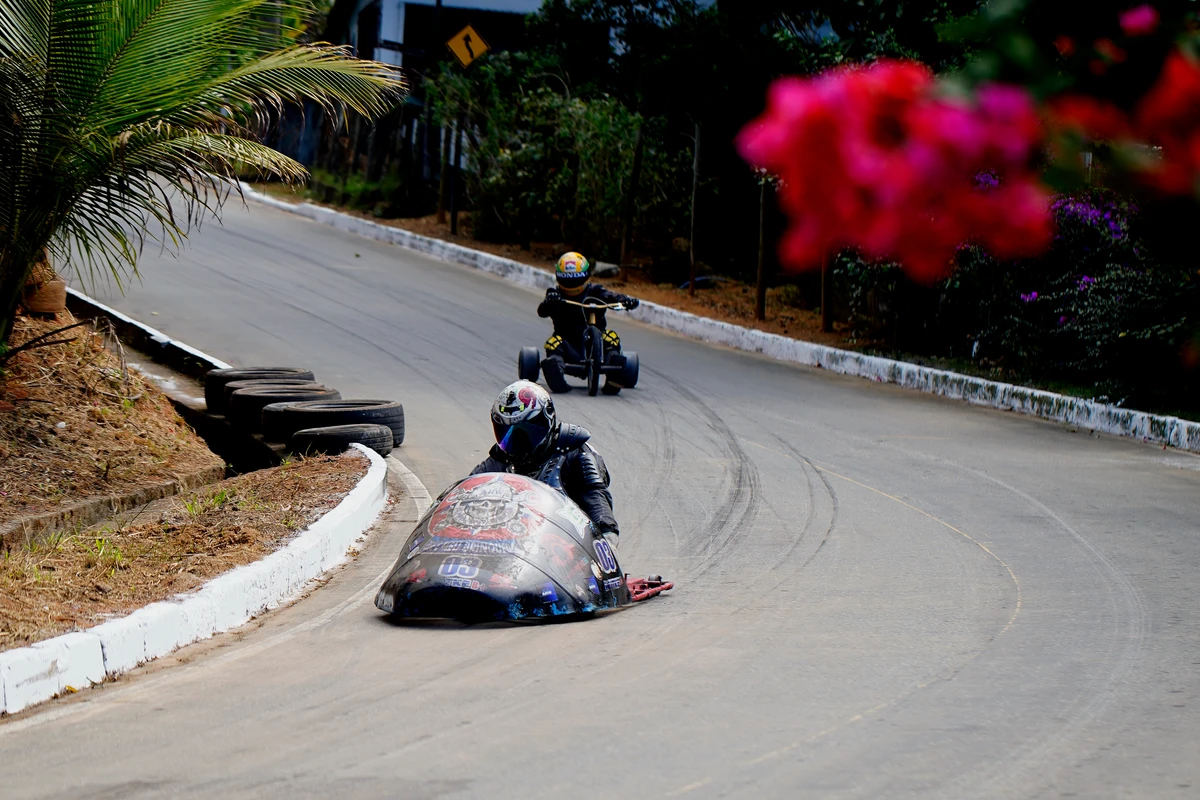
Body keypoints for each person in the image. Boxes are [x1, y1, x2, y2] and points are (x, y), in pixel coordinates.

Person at [471, 380, 620, 546]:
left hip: (564, 548)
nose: (518, 443)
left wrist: (608, 536)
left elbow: (595, 496)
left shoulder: (574, 452)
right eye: (508, 434)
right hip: (508, 548)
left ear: (547, 421)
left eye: (526, 432)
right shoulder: (500, 459)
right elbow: (466, 493)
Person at [538, 251, 640, 393]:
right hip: (569, 345)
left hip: (597, 345)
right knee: (553, 343)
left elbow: (611, 296)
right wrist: (551, 302)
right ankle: (555, 372)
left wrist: (625, 300)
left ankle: (614, 373)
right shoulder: (555, 294)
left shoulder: (595, 291)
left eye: (575, 280)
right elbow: (542, 311)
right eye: (568, 280)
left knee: (611, 338)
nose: (572, 284)